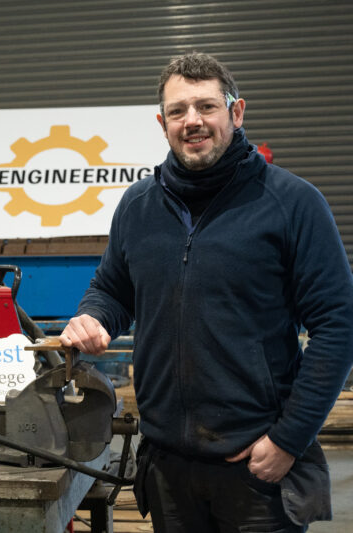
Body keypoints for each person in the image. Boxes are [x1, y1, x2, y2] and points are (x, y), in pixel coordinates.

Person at [61, 52, 353, 532]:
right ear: (163, 123)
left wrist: (288, 441)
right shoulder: (138, 205)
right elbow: (112, 288)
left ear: (236, 113)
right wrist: (93, 315)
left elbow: (337, 325)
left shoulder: (293, 204)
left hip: (256, 470)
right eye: (178, 111)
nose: (192, 121)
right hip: (168, 467)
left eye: (206, 107)